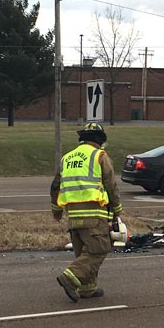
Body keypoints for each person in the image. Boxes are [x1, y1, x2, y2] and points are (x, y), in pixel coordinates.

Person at [50, 122, 123, 302]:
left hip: (73, 216)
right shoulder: (100, 156)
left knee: (84, 251)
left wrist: (57, 209)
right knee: (99, 249)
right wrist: (117, 210)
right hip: (94, 213)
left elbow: (55, 186)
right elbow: (111, 185)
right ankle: (69, 277)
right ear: (99, 140)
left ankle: (87, 288)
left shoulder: (66, 158)